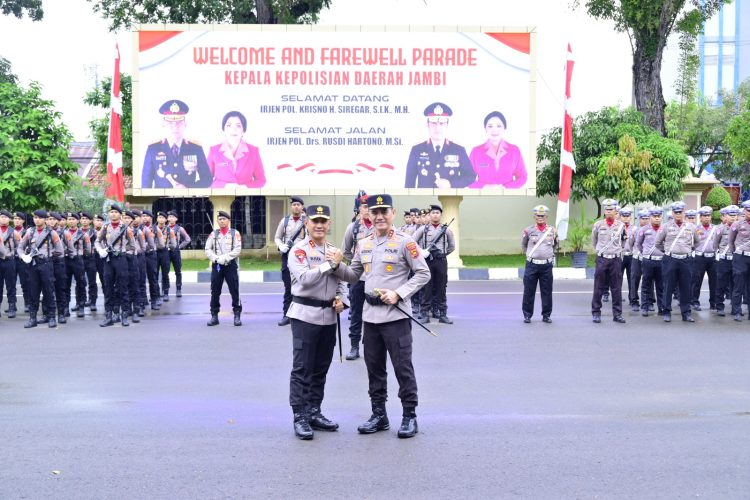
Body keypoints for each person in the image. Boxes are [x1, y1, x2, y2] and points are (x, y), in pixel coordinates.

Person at [334, 194, 431, 439]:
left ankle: (410, 416)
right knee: (374, 368)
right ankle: (379, 415)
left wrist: (399, 293)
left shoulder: (405, 242)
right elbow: (354, 274)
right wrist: (336, 266)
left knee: (402, 368)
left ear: (393, 213)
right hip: (370, 317)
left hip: (396, 317)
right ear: (368, 215)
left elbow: (423, 273)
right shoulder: (364, 243)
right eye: (375, 212)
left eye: (384, 212)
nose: (379, 217)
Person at [286, 205, 349, 440]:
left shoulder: (334, 251)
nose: (319, 225)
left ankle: (314, 411)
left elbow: (342, 281)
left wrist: (343, 299)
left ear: (329, 224)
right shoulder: (299, 251)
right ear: (307, 224)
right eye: (315, 221)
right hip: (305, 315)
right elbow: (304, 279)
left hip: (329, 318)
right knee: (303, 367)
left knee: (321, 367)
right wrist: (329, 265)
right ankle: (300, 416)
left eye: (323, 221)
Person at [141, 99, 212, 189]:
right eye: (170, 122)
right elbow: (146, 184)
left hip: (187, 201)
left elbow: (207, 179)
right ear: (163, 124)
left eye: (179, 122)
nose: (174, 126)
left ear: (185, 124)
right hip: (161, 201)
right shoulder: (153, 149)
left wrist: (188, 189)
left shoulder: (196, 148)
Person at [404, 102, 474, 188]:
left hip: (450, 200)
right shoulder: (417, 150)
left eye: (441, 124)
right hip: (424, 200)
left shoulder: (458, 150)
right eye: (433, 124)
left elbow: (470, 176)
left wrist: (451, 184)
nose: (437, 128)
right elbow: (409, 184)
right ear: (427, 125)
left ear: (447, 125)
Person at [17, 210, 64, 328]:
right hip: (33, 264)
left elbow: (60, 250)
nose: (36, 220)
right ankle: (33, 318)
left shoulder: (51, 233)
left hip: (46, 264)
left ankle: (52, 317)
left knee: (48, 291)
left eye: (39, 218)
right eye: (35, 217)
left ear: (45, 219)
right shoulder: (30, 232)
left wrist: (47, 254)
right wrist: (24, 256)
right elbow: (20, 247)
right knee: (33, 291)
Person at [341, 191, 373, 360]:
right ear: (359, 209)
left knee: (375, 314)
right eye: (365, 207)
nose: (367, 210)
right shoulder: (352, 227)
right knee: (356, 313)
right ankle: (354, 346)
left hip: (376, 279)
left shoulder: (382, 226)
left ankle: (371, 346)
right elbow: (346, 251)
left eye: (370, 207)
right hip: (358, 279)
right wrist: (357, 263)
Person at [655, 201, 700, 322]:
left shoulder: (691, 227)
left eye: (680, 212)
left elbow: (697, 242)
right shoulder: (665, 227)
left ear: (684, 213)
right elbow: (658, 243)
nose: (678, 215)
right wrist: (668, 252)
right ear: (673, 213)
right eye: (676, 212)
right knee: (668, 286)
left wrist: (687, 251)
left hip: (686, 260)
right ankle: (666, 312)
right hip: (670, 259)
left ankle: (686, 313)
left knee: (686, 287)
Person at [413, 204, 455, 324]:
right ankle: (425, 314)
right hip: (427, 261)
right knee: (427, 287)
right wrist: (421, 251)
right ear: (429, 215)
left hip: (440, 261)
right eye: (433, 213)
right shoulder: (423, 229)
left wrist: (442, 254)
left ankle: (443, 314)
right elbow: (412, 241)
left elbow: (452, 246)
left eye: (437, 213)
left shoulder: (446, 230)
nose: (435, 215)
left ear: (440, 215)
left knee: (441, 287)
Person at [96, 204, 136, 327]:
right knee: (108, 288)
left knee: (123, 287)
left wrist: (122, 250)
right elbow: (97, 241)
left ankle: (124, 315)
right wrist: (101, 250)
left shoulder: (125, 228)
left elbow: (132, 245)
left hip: (121, 259)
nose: (113, 214)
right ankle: (109, 315)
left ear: (120, 215)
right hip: (108, 260)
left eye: (115, 212)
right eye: (111, 212)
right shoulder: (105, 227)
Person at [468, 111, 527, 189]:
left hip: (508, 196)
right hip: (483, 197)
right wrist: (485, 187)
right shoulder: (476, 151)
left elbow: (523, 177)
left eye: (499, 126)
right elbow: (467, 178)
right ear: (485, 128)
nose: (494, 130)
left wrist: (506, 188)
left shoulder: (514, 150)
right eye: (490, 126)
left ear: (504, 128)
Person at [207, 110, 266, 188]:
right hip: (221, 198)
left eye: (238, 126)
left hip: (245, 198)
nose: (233, 129)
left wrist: (245, 187)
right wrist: (225, 186)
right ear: (223, 130)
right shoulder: (214, 151)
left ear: (243, 130)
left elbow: (261, 180)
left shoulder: (253, 151)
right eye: (229, 125)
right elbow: (206, 180)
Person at [591, 199, 627, 324]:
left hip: (616, 259)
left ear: (615, 211)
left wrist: (616, 250)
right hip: (602, 258)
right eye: (607, 209)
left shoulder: (621, 226)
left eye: (611, 209)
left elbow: (623, 241)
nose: (609, 212)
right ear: (604, 211)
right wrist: (600, 251)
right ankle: (596, 313)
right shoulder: (598, 225)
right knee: (598, 287)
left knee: (616, 288)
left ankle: (617, 314)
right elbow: (594, 241)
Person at [205, 210, 243, 327]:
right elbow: (207, 249)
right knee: (215, 291)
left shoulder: (234, 233)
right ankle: (214, 316)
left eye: (224, 219)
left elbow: (237, 249)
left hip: (230, 265)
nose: (222, 221)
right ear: (217, 221)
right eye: (220, 219)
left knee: (234, 290)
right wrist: (216, 259)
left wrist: (225, 258)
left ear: (228, 220)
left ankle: (237, 315)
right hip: (217, 266)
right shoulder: (213, 234)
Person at [521, 205, 557, 323]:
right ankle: (527, 315)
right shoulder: (528, 230)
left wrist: (547, 254)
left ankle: (546, 315)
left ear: (547, 216)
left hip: (546, 266)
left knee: (546, 291)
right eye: (538, 215)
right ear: (534, 216)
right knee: (529, 291)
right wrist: (532, 255)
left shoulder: (553, 231)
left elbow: (555, 244)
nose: (540, 217)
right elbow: (524, 245)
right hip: (532, 265)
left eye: (543, 215)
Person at [274, 196, 307, 326]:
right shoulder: (285, 221)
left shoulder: (307, 221)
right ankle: (286, 315)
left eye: (298, 204)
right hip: (287, 257)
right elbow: (277, 237)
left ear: (302, 207)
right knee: (288, 287)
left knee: (303, 286)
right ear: (291, 207)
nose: (296, 207)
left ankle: (302, 315)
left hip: (302, 258)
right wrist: (281, 246)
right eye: (294, 205)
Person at [636, 207, 665, 317]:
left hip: (661, 261)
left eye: (658, 216)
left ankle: (661, 307)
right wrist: (646, 254)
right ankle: (645, 307)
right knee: (646, 284)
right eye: (654, 216)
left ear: (661, 217)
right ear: (650, 217)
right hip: (648, 261)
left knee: (661, 285)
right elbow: (638, 244)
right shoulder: (644, 229)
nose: (657, 218)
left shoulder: (665, 229)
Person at [63, 212, 91, 319]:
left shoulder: (83, 234)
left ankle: (81, 306)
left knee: (80, 284)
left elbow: (88, 250)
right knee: (65, 284)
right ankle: (65, 307)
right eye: (69, 219)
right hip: (65, 260)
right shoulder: (62, 233)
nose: (71, 221)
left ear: (77, 221)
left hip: (78, 260)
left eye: (73, 219)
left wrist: (81, 256)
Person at [691, 206, 718, 311]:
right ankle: (695, 302)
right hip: (699, 258)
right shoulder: (695, 229)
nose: (707, 218)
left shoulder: (715, 229)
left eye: (708, 215)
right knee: (696, 281)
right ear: (700, 217)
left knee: (714, 282)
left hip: (712, 257)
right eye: (704, 216)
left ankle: (713, 302)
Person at [714, 205, 738, 317]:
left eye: (735, 215)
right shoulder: (720, 229)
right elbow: (715, 244)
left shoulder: (740, 227)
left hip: (736, 260)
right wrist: (718, 257)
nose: (733, 218)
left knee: (736, 285)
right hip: (724, 260)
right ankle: (719, 307)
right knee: (721, 284)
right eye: (731, 215)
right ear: (725, 216)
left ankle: (735, 307)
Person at [728, 200, 750, 321]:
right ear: (744, 210)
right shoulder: (737, 224)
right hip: (740, 257)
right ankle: (736, 311)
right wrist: (735, 254)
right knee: (738, 286)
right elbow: (731, 241)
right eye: (748, 210)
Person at [0, 209, 21, 318]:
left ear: (9, 219)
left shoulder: (14, 232)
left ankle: (12, 306)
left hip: (9, 261)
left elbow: (20, 246)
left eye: (5, 217)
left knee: (11, 285)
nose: (3, 219)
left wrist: (13, 253)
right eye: (1, 217)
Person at [629, 209, 651, 312]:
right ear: (639, 219)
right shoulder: (635, 230)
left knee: (649, 280)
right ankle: (634, 301)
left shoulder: (652, 230)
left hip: (647, 258)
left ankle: (649, 302)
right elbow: (631, 243)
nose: (645, 220)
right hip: (637, 257)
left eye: (647, 218)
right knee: (635, 280)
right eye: (643, 218)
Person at [167, 210, 191, 298]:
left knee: (178, 271)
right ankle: (165, 290)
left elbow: (187, 239)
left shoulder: (179, 228)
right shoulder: (164, 228)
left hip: (175, 252)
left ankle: (178, 289)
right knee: (165, 272)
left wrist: (179, 246)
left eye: (172, 217)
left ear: (176, 219)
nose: (170, 218)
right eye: (169, 217)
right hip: (166, 252)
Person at [141, 210, 161, 310]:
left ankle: (154, 299)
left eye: (146, 216)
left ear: (151, 217)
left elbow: (161, 242)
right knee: (141, 278)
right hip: (141, 255)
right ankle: (143, 299)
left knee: (152, 278)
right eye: (142, 216)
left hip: (150, 254)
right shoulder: (138, 228)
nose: (144, 218)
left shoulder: (155, 229)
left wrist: (153, 247)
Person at [155, 211, 177, 302]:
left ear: (166, 219)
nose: (161, 219)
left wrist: (167, 246)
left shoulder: (169, 230)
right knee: (154, 274)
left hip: (165, 253)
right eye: (159, 217)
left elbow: (174, 244)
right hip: (155, 253)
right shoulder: (152, 229)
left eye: (163, 217)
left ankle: (165, 293)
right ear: (157, 219)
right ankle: (155, 294)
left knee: (165, 274)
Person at [80, 212, 99, 312]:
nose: (84, 221)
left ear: (90, 221)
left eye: (86, 219)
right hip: (80, 258)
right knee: (81, 281)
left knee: (92, 281)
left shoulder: (94, 232)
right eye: (82, 219)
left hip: (91, 258)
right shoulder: (77, 232)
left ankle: (92, 301)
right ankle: (81, 302)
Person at [13, 212, 30, 313]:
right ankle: (12, 305)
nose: (17, 220)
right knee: (11, 283)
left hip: (23, 260)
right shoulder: (10, 231)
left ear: (23, 220)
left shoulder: (27, 232)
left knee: (25, 283)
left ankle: (27, 303)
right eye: (15, 218)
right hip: (11, 260)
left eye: (19, 219)